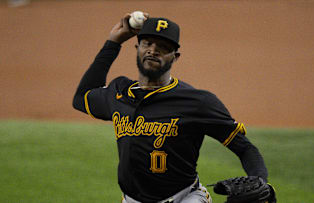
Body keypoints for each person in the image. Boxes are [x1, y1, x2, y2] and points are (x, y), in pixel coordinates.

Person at [73, 13, 269, 203]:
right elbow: (82, 98)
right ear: (137, 47)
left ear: (175, 57)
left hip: (185, 198)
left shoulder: (197, 102)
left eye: (163, 47)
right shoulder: (119, 92)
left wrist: (260, 182)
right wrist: (113, 43)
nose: (153, 50)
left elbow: (245, 148)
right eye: (147, 43)